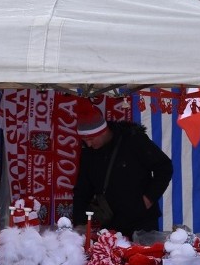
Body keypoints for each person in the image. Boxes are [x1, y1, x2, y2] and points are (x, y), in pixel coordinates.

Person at [72, 99, 173, 237]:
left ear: (103, 131)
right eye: (84, 141)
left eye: (91, 139)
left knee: (144, 258)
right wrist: (80, 222)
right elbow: (83, 188)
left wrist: (149, 198)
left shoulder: (133, 139)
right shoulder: (89, 153)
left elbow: (164, 166)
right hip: (111, 222)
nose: (88, 145)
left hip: (142, 220)